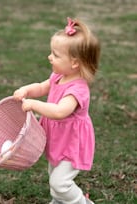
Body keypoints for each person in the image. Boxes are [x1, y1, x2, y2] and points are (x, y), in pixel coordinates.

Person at [13, 17, 100, 204]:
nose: (49, 57)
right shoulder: (59, 76)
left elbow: (60, 111)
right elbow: (42, 87)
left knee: (60, 183)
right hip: (59, 139)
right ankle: (59, 202)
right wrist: (27, 91)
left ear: (75, 63)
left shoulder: (78, 90)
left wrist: (34, 105)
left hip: (72, 142)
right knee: (54, 177)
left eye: (56, 54)